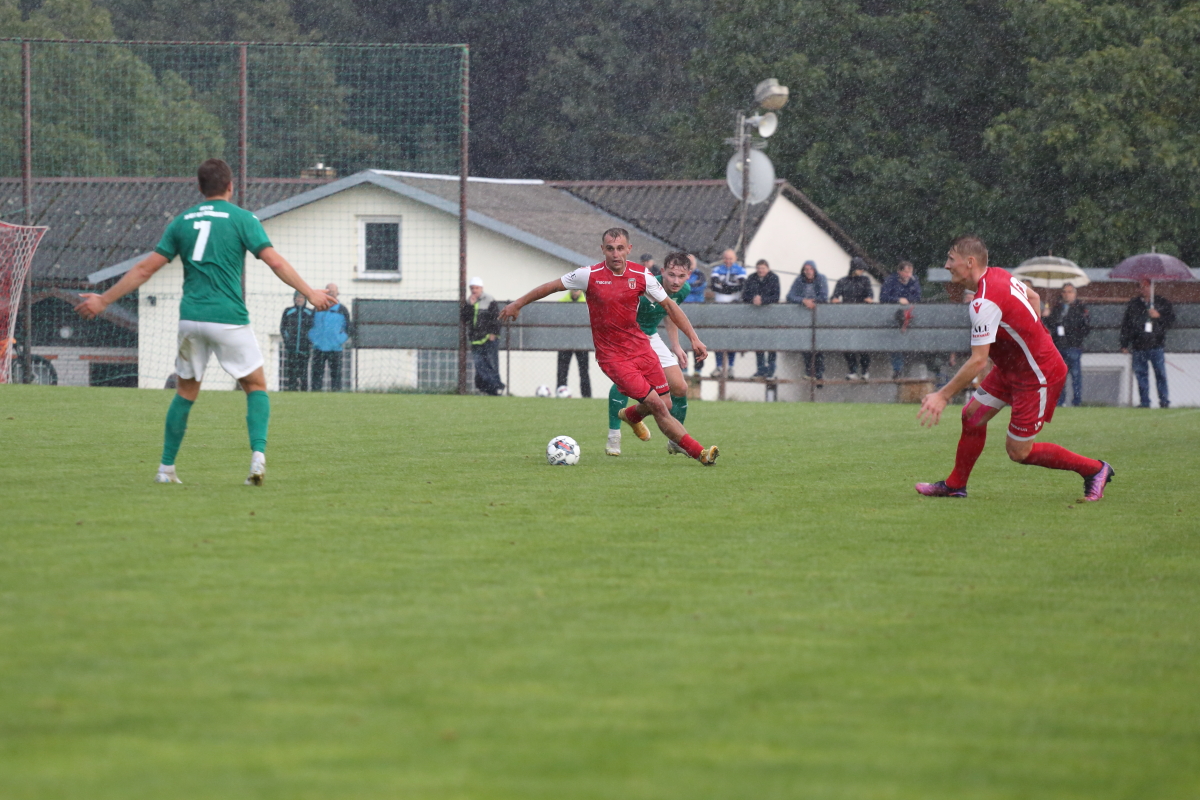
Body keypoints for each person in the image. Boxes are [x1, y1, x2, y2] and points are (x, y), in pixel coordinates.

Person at [73, 158, 334, 485]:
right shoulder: (243, 219)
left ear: (199, 188)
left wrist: (103, 300)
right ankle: (257, 457)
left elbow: (144, 269)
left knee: (185, 391)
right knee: (255, 386)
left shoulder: (182, 222)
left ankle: (166, 469)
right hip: (229, 318)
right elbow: (275, 262)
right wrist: (309, 292)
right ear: (230, 186)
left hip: (191, 319)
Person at [915, 235, 1113, 501]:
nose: (947, 265)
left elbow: (978, 361)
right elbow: (1034, 296)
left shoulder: (983, 302)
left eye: (951, 259)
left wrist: (942, 395)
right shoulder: (998, 274)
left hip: (1036, 374)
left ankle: (1095, 469)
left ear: (969, 262)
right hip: (1012, 368)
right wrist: (1029, 336)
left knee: (1019, 452)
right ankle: (955, 485)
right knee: (972, 416)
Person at [500, 228, 718, 465]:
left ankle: (631, 415)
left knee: (665, 402)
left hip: (642, 348)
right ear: (602, 249)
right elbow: (552, 286)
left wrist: (694, 338)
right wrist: (518, 303)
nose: (616, 254)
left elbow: (670, 307)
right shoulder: (588, 275)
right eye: (610, 248)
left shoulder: (641, 275)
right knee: (657, 404)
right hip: (613, 356)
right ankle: (700, 453)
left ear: (629, 249)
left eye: (620, 248)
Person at [606, 252, 698, 456]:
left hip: (651, 336)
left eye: (681, 276)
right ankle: (613, 436)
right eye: (671, 275)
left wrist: (676, 346)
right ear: (662, 272)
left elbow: (671, 314)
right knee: (624, 384)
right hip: (626, 335)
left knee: (680, 387)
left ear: (689, 276)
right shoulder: (644, 286)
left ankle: (675, 441)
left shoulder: (684, 291)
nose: (676, 281)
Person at [1120, 279, 1175, 408]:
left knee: (1160, 374)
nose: (1144, 289)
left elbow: (1171, 321)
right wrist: (1124, 343)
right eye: (1141, 287)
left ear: (1152, 287)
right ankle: (1144, 402)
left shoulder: (1162, 302)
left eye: (1146, 286)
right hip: (1138, 345)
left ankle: (1164, 401)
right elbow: (1126, 325)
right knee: (1141, 375)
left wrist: (1158, 316)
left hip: (1156, 345)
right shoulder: (1134, 304)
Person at [1043, 282, 1090, 407]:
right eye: (1064, 292)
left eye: (1069, 292)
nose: (1066, 294)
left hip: (1073, 346)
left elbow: (1085, 327)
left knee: (1075, 374)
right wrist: (1046, 316)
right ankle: (1060, 401)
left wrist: (1074, 335)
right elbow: (1050, 325)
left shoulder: (1080, 307)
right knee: (1059, 376)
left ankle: (1077, 401)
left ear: (1074, 294)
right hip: (1058, 346)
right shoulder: (1057, 307)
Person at [830, 256, 875, 379]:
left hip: (862, 318)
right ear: (854, 268)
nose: (862, 271)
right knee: (847, 346)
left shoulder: (865, 281)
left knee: (863, 346)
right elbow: (834, 296)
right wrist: (835, 300)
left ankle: (865, 371)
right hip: (847, 318)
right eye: (860, 268)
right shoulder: (842, 281)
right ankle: (852, 370)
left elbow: (870, 295)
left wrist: (868, 299)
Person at [461, 276, 505, 396]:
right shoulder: (469, 301)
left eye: (476, 288)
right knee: (479, 365)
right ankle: (487, 388)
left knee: (490, 363)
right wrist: (470, 305)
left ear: (481, 288)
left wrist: (493, 333)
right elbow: (465, 318)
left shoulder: (489, 300)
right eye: (472, 288)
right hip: (475, 339)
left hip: (488, 338)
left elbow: (496, 318)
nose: (474, 290)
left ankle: (495, 387)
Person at [786, 260, 829, 380]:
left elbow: (824, 297)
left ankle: (819, 373)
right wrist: (803, 301)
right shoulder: (799, 280)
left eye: (810, 269)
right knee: (805, 345)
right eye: (806, 269)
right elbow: (789, 296)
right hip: (803, 318)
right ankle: (809, 371)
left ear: (814, 270)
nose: (808, 272)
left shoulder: (821, 279)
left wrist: (812, 302)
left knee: (818, 346)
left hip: (818, 317)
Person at [879, 260, 921, 378]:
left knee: (910, 343)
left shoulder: (914, 281)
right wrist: (898, 300)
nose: (908, 275)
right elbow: (883, 297)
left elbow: (918, 297)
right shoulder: (890, 281)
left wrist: (908, 301)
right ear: (899, 271)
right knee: (895, 342)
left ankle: (908, 370)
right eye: (906, 272)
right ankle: (897, 369)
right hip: (893, 317)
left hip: (910, 316)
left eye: (910, 272)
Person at [709, 248, 746, 377]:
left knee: (731, 338)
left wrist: (724, 287)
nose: (728, 261)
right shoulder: (717, 269)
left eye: (730, 258)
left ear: (735, 259)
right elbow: (713, 285)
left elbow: (741, 286)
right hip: (719, 308)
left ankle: (731, 366)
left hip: (733, 309)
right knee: (718, 337)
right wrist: (730, 288)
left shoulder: (740, 270)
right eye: (726, 258)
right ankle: (719, 366)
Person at [743, 258, 781, 378]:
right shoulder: (751, 278)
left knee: (771, 344)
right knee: (758, 343)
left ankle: (771, 370)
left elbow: (776, 296)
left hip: (771, 316)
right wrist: (753, 299)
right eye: (759, 268)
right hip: (756, 316)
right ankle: (761, 369)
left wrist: (763, 300)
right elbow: (745, 295)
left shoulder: (774, 278)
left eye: (763, 268)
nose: (761, 270)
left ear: (768, 269)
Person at [309, 283, 350, 391]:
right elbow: (309, 326)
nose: (331, 293)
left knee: (336, 376)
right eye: (329, 291)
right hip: (319, 348)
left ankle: (336, 396)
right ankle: (315, 396)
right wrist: (315, 340)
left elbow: (348, 329)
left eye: (333, 291)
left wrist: (339, 340)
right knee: (316, 376)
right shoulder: (317, 307)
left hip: (335, 349)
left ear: (338, 293)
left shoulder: (342, 310)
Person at [556, 287, 591, 397]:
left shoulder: (587, 303)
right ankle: (560, 393)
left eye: (577, 289)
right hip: (565, 342)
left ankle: (586, 396)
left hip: (582, 343)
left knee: (584, 371)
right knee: (562, 371)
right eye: (573, 289)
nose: (575, 292)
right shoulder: (561, 303)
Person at [279, 291, 314, 392]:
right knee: (291, 373)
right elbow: (283, 328)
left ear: (305, 300)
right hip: (291, 349)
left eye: (301, 297)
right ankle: (291, 390)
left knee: (304, 373)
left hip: (305, 349)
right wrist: (288, 341)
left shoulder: (310, 313)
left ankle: (304, 392)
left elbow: (313, 329)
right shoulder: (288, 311)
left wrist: (309, 341)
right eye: (297, 297)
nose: (299, 300)